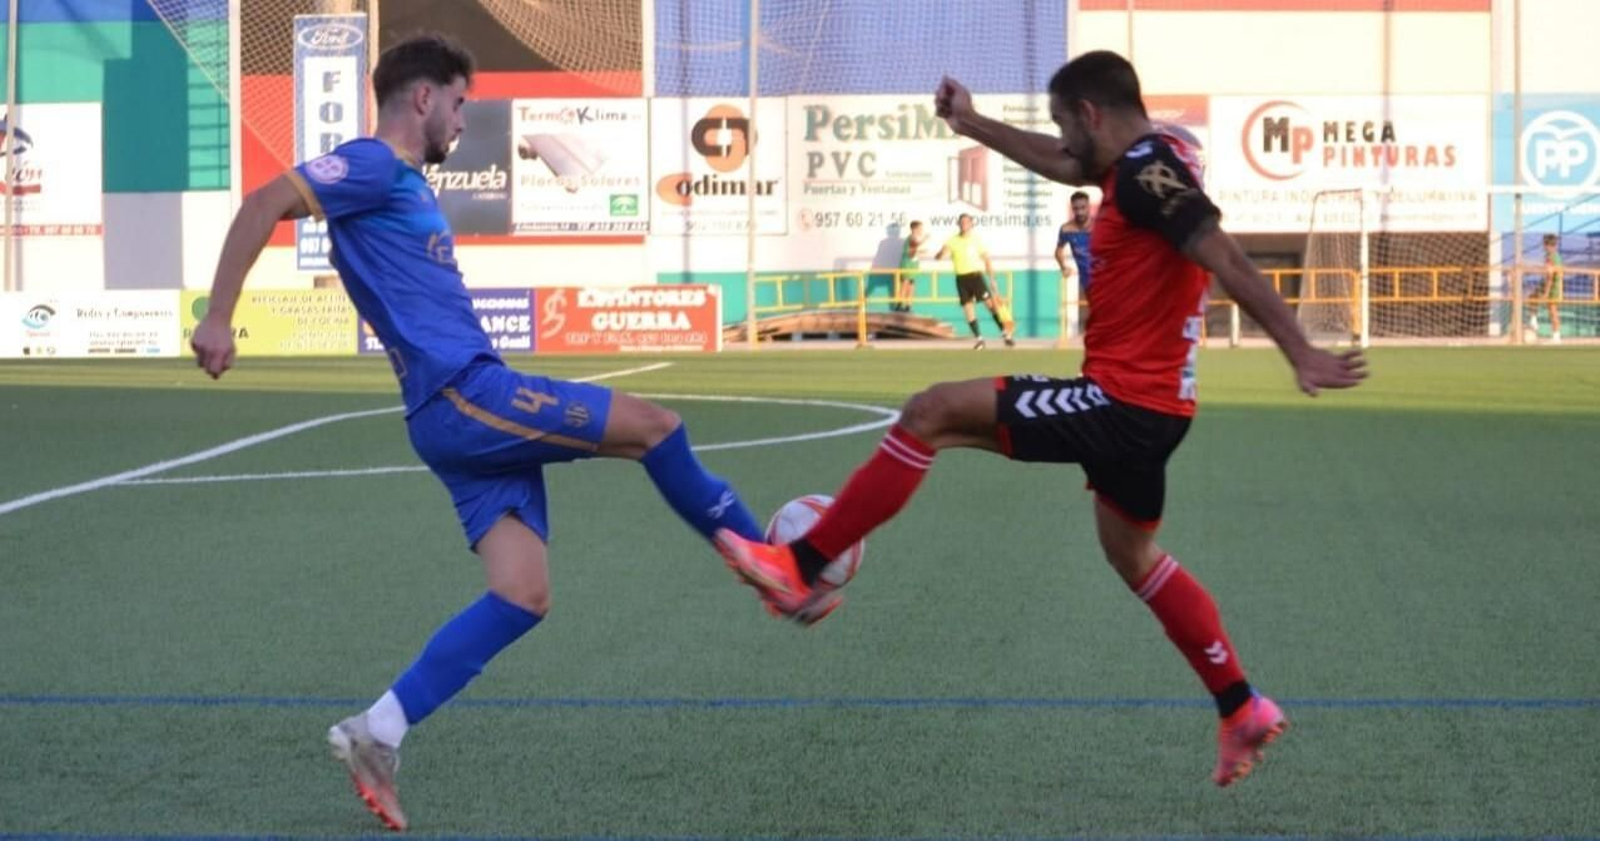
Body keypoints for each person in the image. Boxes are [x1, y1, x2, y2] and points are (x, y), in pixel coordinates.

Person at [713, 51, 1366, 787]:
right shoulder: (1151, 157)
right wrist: (970, 122)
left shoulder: (1152, 174)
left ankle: (799, 566)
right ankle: (1240, 705)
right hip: (1157, 406)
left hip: (1123, 402)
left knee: (932, 412)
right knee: (1134, 557)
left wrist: (1298, 347)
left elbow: (1223, 255)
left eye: (1066, 124)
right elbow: (1064, 164)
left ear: (1092, 113)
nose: (1063, 145)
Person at [189, 34, 778, 831]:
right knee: (655, 426)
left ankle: (378, 730)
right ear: (424, 98)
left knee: (522, 592)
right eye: (460, 101)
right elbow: (263, 202)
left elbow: (429, 181)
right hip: (465, 394)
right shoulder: (371, 165)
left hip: (449, 413)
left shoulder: (402, 185)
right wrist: (219, 316)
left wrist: (538, 142)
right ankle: (772, 563)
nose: (465, 118)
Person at [934, 213, 1015, 348]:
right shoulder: (952, 241)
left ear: (971, 224)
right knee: (968, 308)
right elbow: (939, 256)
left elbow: (987, 260)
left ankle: (1005, 334)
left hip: (976, 277)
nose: (964, 224)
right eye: (962, 222)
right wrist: (940, 254)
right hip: (961, 278)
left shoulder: (976, 240)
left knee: (990, 306)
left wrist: (992, 279)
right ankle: (979, 339)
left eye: (967, 222)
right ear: (958, 224)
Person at [1055, 190, 1094, 294]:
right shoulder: (1066, 229)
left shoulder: (1100, 226)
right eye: (1076, 208)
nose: (1080, 212)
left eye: (1083, 208)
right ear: (1072, 208)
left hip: (1105, 278)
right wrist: (1063, 267)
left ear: (1089, 207)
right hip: (1086, 281)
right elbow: (1058, 251)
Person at [1532, 233, 1563, 342]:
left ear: (1548, 245)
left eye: (1545, 244)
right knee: (1532, 297)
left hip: (1554, 286)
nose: (1543, 246)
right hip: (1546, 283)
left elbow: (1550, 276)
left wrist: (1546, 292)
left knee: (1553, 310)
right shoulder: (1550, 256)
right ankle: (1533, 320)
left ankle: (1556, 336)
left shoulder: (1553, 257)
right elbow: (1547, 272)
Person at [894, 220, 928, 313]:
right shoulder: (912, 237)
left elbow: (913, 251)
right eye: (920, 228)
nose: (921, 230)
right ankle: (899, 304)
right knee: (905, 284)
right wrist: (925, 239)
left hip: (913, 265)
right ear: (914, 229)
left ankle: (908, 305)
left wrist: (922, 252)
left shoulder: (915, 238)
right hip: (908, 265)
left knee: (911, 284)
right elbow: (913, 248)